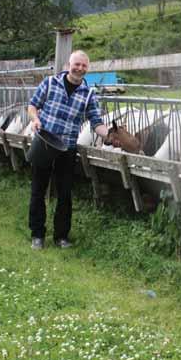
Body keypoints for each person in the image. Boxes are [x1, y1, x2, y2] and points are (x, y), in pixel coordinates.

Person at [27, 50, 109, 250]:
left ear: (87, 69)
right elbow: (32, 106)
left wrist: (111, 134)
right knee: (38, 190)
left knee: (65, 193)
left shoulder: (88, 94)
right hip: (45, 143)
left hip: (67, 148)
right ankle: (37, 235)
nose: (80, 68)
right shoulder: (50, 83)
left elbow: (96, 122)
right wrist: (36, 120)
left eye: (84, 66)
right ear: (68, 64)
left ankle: (61, 237)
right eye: (77, 64)